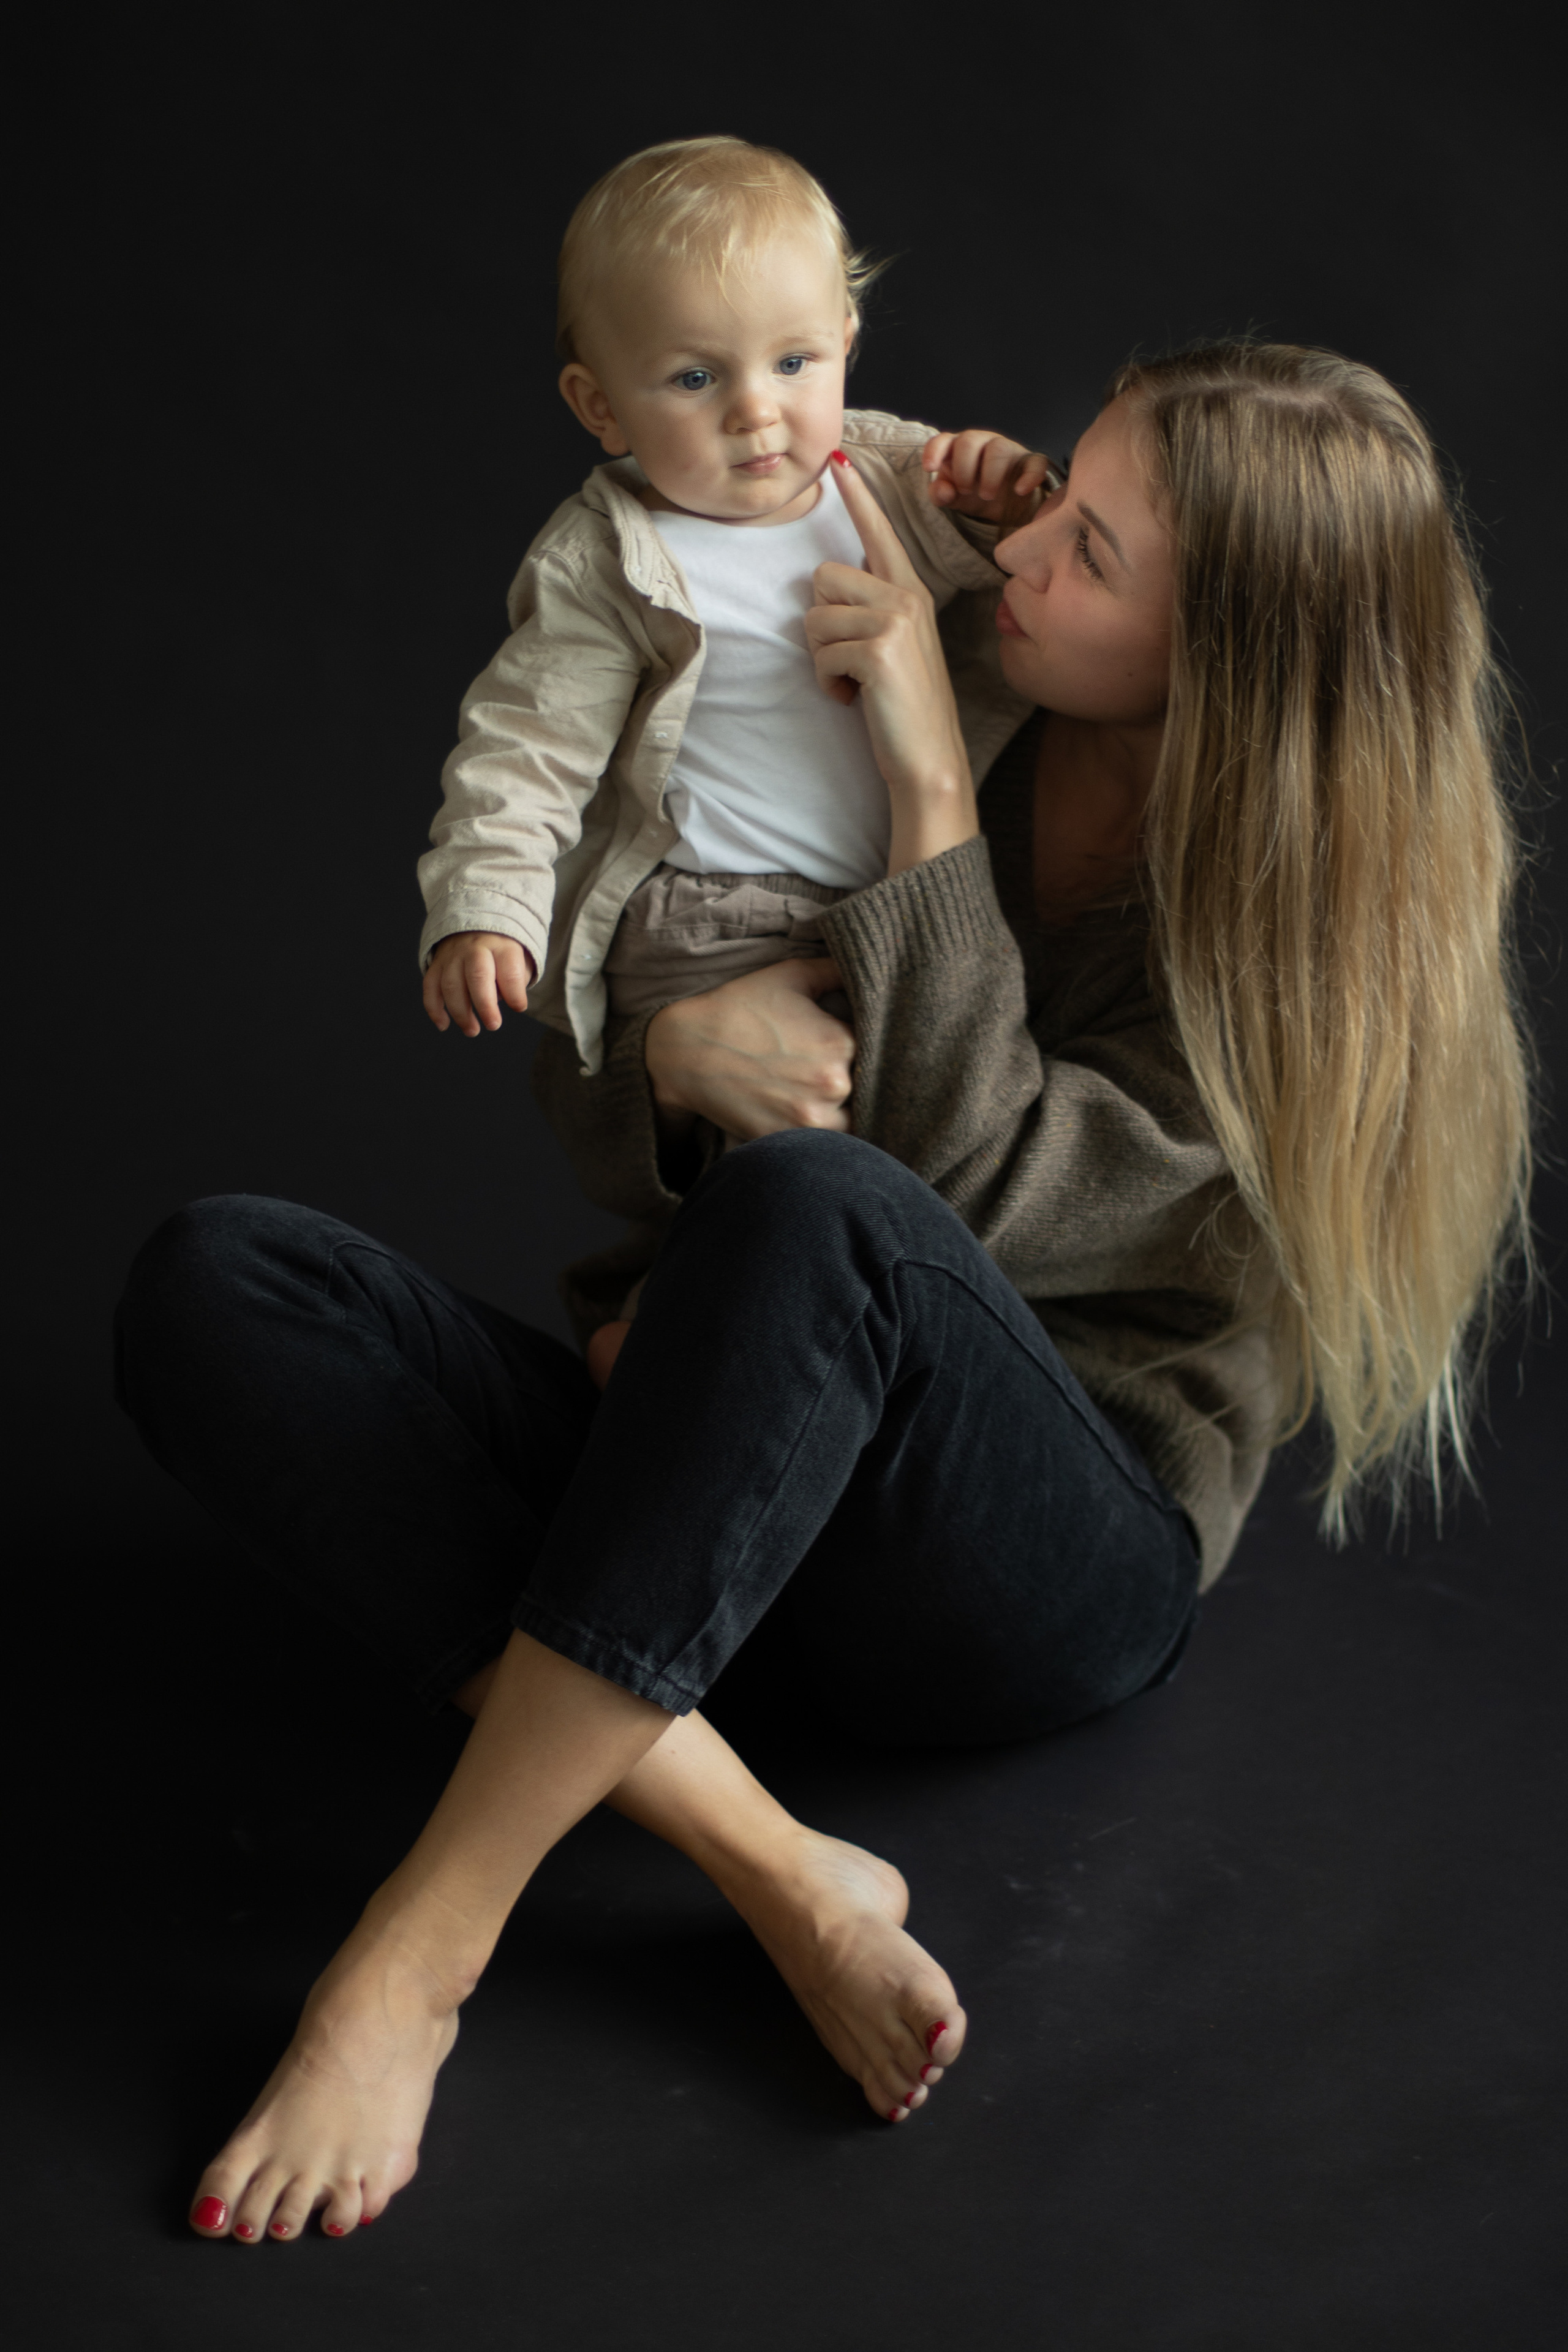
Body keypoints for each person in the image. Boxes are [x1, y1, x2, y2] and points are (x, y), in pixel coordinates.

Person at [116, 340, 1532, 2247]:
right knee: (223, 1285)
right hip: (734, 1494)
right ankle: (782, 1868)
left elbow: (960, 1214)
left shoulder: (1319, 945)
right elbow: (616, 1005)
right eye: (1057, 493)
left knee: (823, 1211)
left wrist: (931, 796)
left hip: (1035, 1561)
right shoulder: (968, 652)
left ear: (1237, 662)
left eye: (1094, 554)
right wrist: (672, 1051)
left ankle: (413, 1961)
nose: (1023, 551)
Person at [416, 136, 1049, 1313]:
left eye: (796, 360)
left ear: (847, 348)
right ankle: (689, 1325)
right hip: (710, 917)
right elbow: (524, 748)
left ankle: (699, 1331)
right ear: (599, 404)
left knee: (909, 1141)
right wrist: (486, 908)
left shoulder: (886, 473)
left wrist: (1010, 486)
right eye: (695, 379)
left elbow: (1016, 540)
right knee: (795, 1152)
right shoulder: (609, 561)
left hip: (879, 906)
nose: (761, 414)